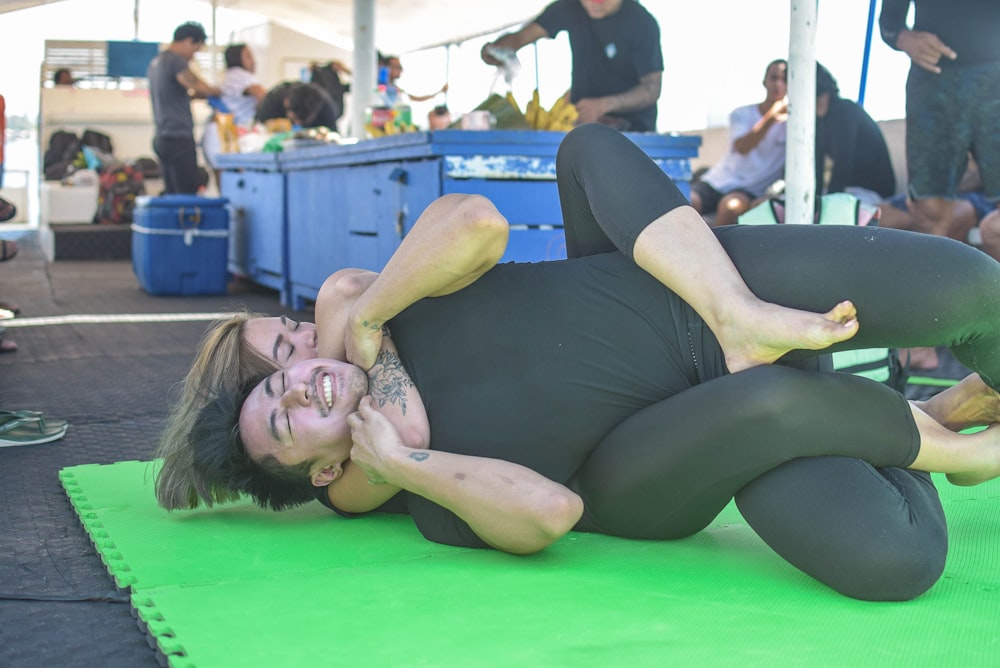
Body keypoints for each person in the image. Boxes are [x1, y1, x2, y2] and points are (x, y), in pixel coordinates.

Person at [175, 125, 1000, 601]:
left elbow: (473, 226)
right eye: (283, 382)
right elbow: (542, 512)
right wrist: (403, 460)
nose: (306, 358)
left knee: (973, 289)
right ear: (314, 469)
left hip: (683, 290)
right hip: (680, 441)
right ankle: (936, 432)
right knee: (897, 558)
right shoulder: (378, 480)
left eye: (291, 341)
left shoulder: (367, 307)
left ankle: (763, 328)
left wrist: (369, 317)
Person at [879, 1, 1000, 239]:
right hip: (932, 83)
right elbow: (889, 21)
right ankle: (936, 275)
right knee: (928, 214)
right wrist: (903, 38)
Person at [481, 0, 662, 132]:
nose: (595, 3)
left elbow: (652, 88)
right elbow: (522, 37)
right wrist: (495, 50)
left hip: (635, 135)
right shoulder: (570, 8)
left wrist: (603, 105)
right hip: (583, 131)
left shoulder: (641, 23)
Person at [690, 59, 788, 227]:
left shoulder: (794, 128)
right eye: (773, 78)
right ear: (764, 81)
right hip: (716, 181)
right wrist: (771, 117)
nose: (778, 84)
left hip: (748, 190)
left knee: (731, 207)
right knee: (687, 202)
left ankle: (712, 248)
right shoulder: (742, 113)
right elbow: (742, 146)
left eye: (784, 79)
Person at [147, 21, 222, 194]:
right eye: (195, 50)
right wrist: (216, 91)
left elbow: (177, 93)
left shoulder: (157, 62)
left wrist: (197, 95)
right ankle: (186, 221)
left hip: (162, 136)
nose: (193, 57)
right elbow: (196, 84)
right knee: (187, 191)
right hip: (178, 138)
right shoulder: (175, 61)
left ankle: (173, 221)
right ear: (188, 41)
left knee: (173, 192)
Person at [814, 63, 895, 207]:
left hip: (872, 190)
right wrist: (816, 200)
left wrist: (826, 205)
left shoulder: (845, 111)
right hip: (847, 190)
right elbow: (817, 166)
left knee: (835, 209)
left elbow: (843, 162)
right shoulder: (818, 122)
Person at [202, 43, 267, 183]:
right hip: (224, 134)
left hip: (215, 132)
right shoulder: (241, 75)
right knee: (234, 184)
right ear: (237, 59)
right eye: (248, 57)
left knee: (224, 185)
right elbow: (262, 95)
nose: (254, 61)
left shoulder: (227, 76)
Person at [379, 54, 448, 105]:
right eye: (397, 67)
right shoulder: (379, 88)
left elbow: (417, 98)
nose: (401, 70)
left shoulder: (396, 89)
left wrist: (439, 92)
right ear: (385, 67)